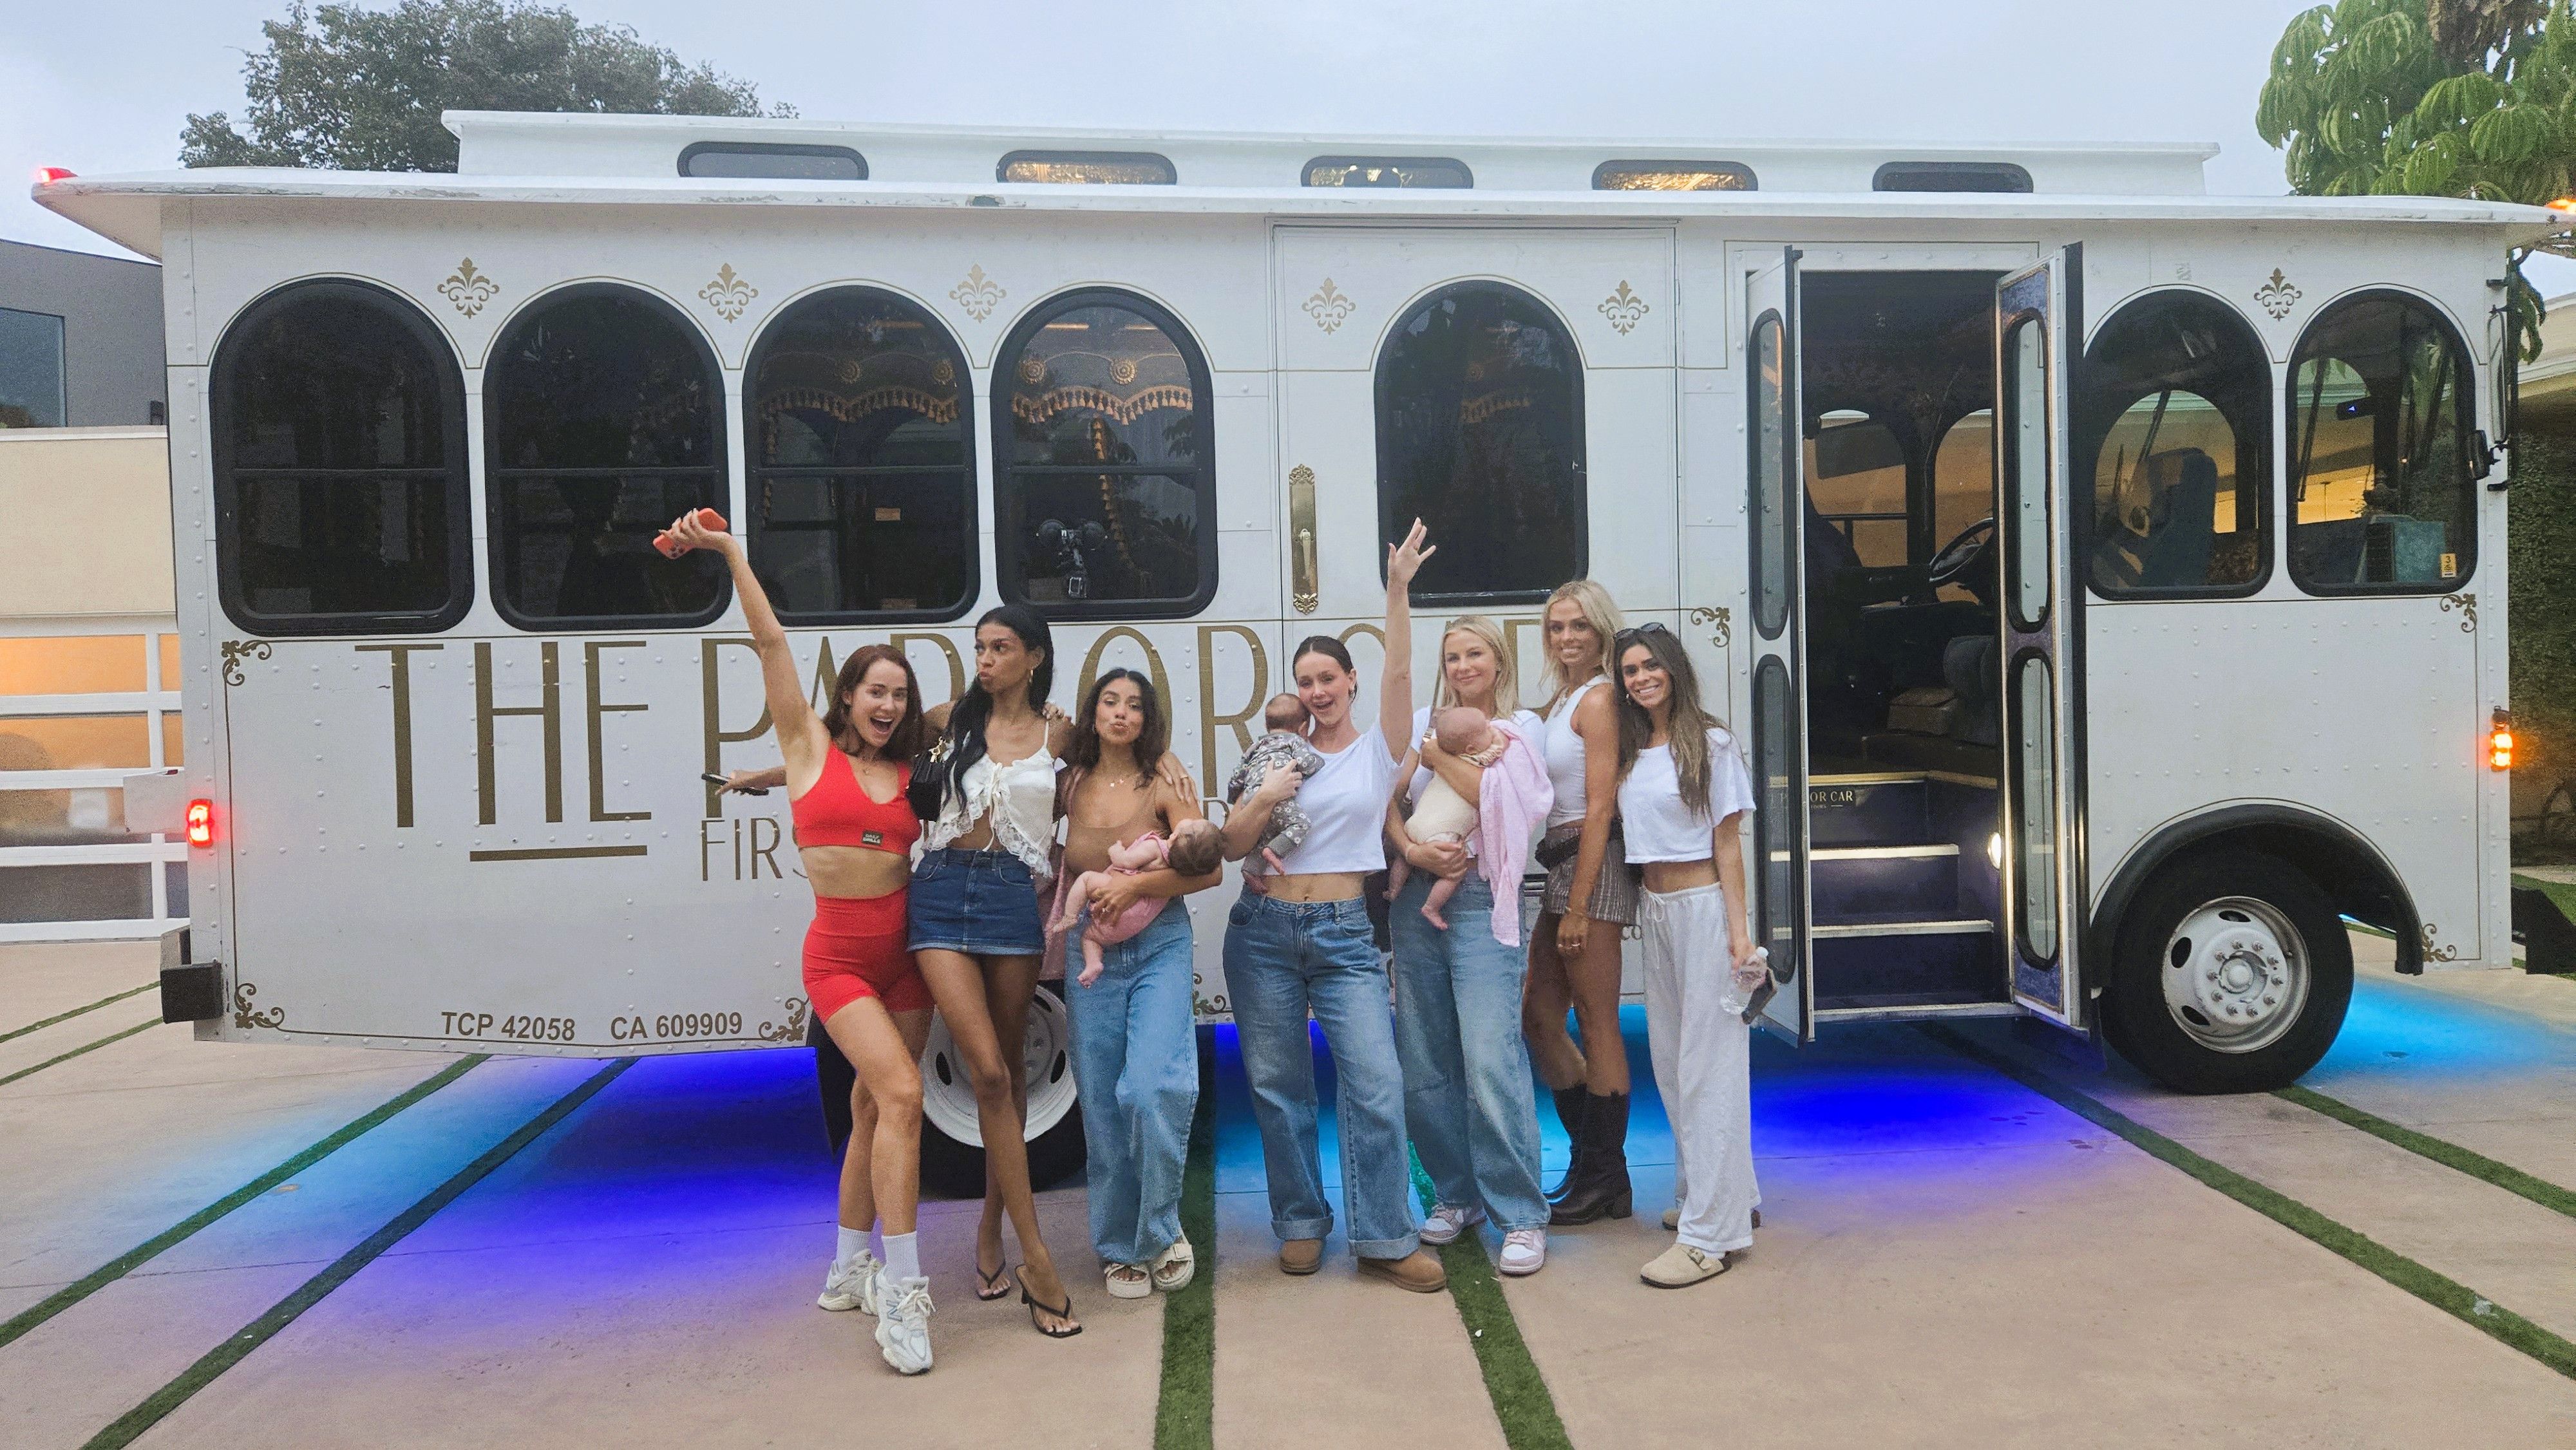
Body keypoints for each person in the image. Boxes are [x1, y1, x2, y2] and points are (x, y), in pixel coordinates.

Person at [668, 510, 937, 1374]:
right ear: (849, 696)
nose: (888, 705)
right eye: (875, 690)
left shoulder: (910, 774)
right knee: (900, 1098)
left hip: (907, 960)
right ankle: (903, 1293)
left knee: (871, 1108)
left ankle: (847, 1265)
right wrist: (733, 555)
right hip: (840, 961)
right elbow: (772, 644)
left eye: (900, 693)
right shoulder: (809, 746)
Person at [1217, 520, 1446, 1292]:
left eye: (1329, 676)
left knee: (1377, 1083)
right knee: (1279, 1087)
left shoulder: (1378, 747)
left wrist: (1397, 589)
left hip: (1346, 932)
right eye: (1305, 679)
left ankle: (1384, 1233)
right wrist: (1263, 805)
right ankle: (1301, 1221)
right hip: (1262, 930)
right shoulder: (1279, 753)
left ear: (1349, 681)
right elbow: (1232, 835)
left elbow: (1404, 673)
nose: (1316, 689)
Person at [911, 605, 1083, 1339]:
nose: (985, 658)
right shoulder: (948, 718)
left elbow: (1120, 764)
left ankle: (990, 1231)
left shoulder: (1061, 732)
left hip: (1016, 895)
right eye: (979, 646)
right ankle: (1037, 1257)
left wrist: (1166, 764)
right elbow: (856, 743)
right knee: (984, 1071)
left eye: (1001, 647)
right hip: (942, 892)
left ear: (1035, 656)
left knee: (1009, 1074)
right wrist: (767, 771)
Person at [1384, 615, 1553, 1275]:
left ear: (1498, 661)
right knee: (1424, 1058)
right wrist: (1407, 847)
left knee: (1490, 1057)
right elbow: (1388, 797)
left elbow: (1501, 798)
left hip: (1483, 897)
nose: (1462, 666)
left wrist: (1436, 758)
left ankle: (1521, 1213)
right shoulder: (1427, 720)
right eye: (1452, 655)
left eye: (1474, 653)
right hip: (1415, 896)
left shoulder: (1521, 728)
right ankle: (1458, 1194)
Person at [1054, 669, 1224, 1297]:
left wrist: (1132, 885)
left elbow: (1204, 871)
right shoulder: (1068, 781)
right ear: (1093, 712)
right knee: (1101, 1102)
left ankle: (1160, 1228)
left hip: (1158, 945)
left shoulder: (1165, 778)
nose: (1120, 712)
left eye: (1133, 704)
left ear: (1148, 717)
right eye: (1109, 701)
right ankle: (1120, 1244)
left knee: (1155, 1087)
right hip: (1089, 949)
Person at [1610, 623, 1765, 1289]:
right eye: (1629, 669)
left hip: (1704, 908)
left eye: (1650, 665)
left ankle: (1712, 1237)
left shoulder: (1711, 741)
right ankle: (1724, 1195)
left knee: (1709, 1067)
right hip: (1658, 909)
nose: (1640, 677)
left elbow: (1729, 843)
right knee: (1673, 1063)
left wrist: (1739, 932)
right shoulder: (1630, 746)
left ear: (1673, 667)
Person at [1523, 579, 1645, 1225]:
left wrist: (1577, 904)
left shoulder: (1599, 700)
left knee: (1597, 1020)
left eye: (1578, 626)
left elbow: (1599, 805)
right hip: (1561, 864)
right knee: (1539, 1015)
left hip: (1591, 866)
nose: (1566, 637)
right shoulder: (1561, 699)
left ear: (1601, 630)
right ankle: (1588, 1159)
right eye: (1555, 627)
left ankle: (1607, 1178)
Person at [1053, 817, 1222, 987]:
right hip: (1136, 920)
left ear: (1174, 836)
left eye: (1193, 823)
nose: (1192, 818)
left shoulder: (1155, 847)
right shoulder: (1179, 870)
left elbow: (1124, 861)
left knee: (1086, 880)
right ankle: (1094, 964)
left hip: (1118, 895)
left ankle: (1070, 916)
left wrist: (1116, 850)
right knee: (1091, 938)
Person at [1385, 706, 1508, 930]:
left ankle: (1394, 890)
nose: (1490, 731)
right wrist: (1498, 732)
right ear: (1471, 747)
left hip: (1415, 825)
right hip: (1442, 836)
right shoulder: (1477, 759)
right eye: (1485, 730)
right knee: (1453, 874)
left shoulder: (1440, 758)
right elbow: (1499, 748)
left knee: (1405, 860)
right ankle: (1431, 907)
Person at [1225, 694, 1324, 876]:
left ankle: (1250, 870)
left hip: (1250, 795)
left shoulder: (1255, 747)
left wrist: (1237, 797)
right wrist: (1320, 762)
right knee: (1300, 824)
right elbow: (1306, 765)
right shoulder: (1294, 740)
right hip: (1279, 796)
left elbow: (1237, 777)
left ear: (1266, 726)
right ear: (1303, 728)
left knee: (1265, 834)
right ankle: (1274, 852)